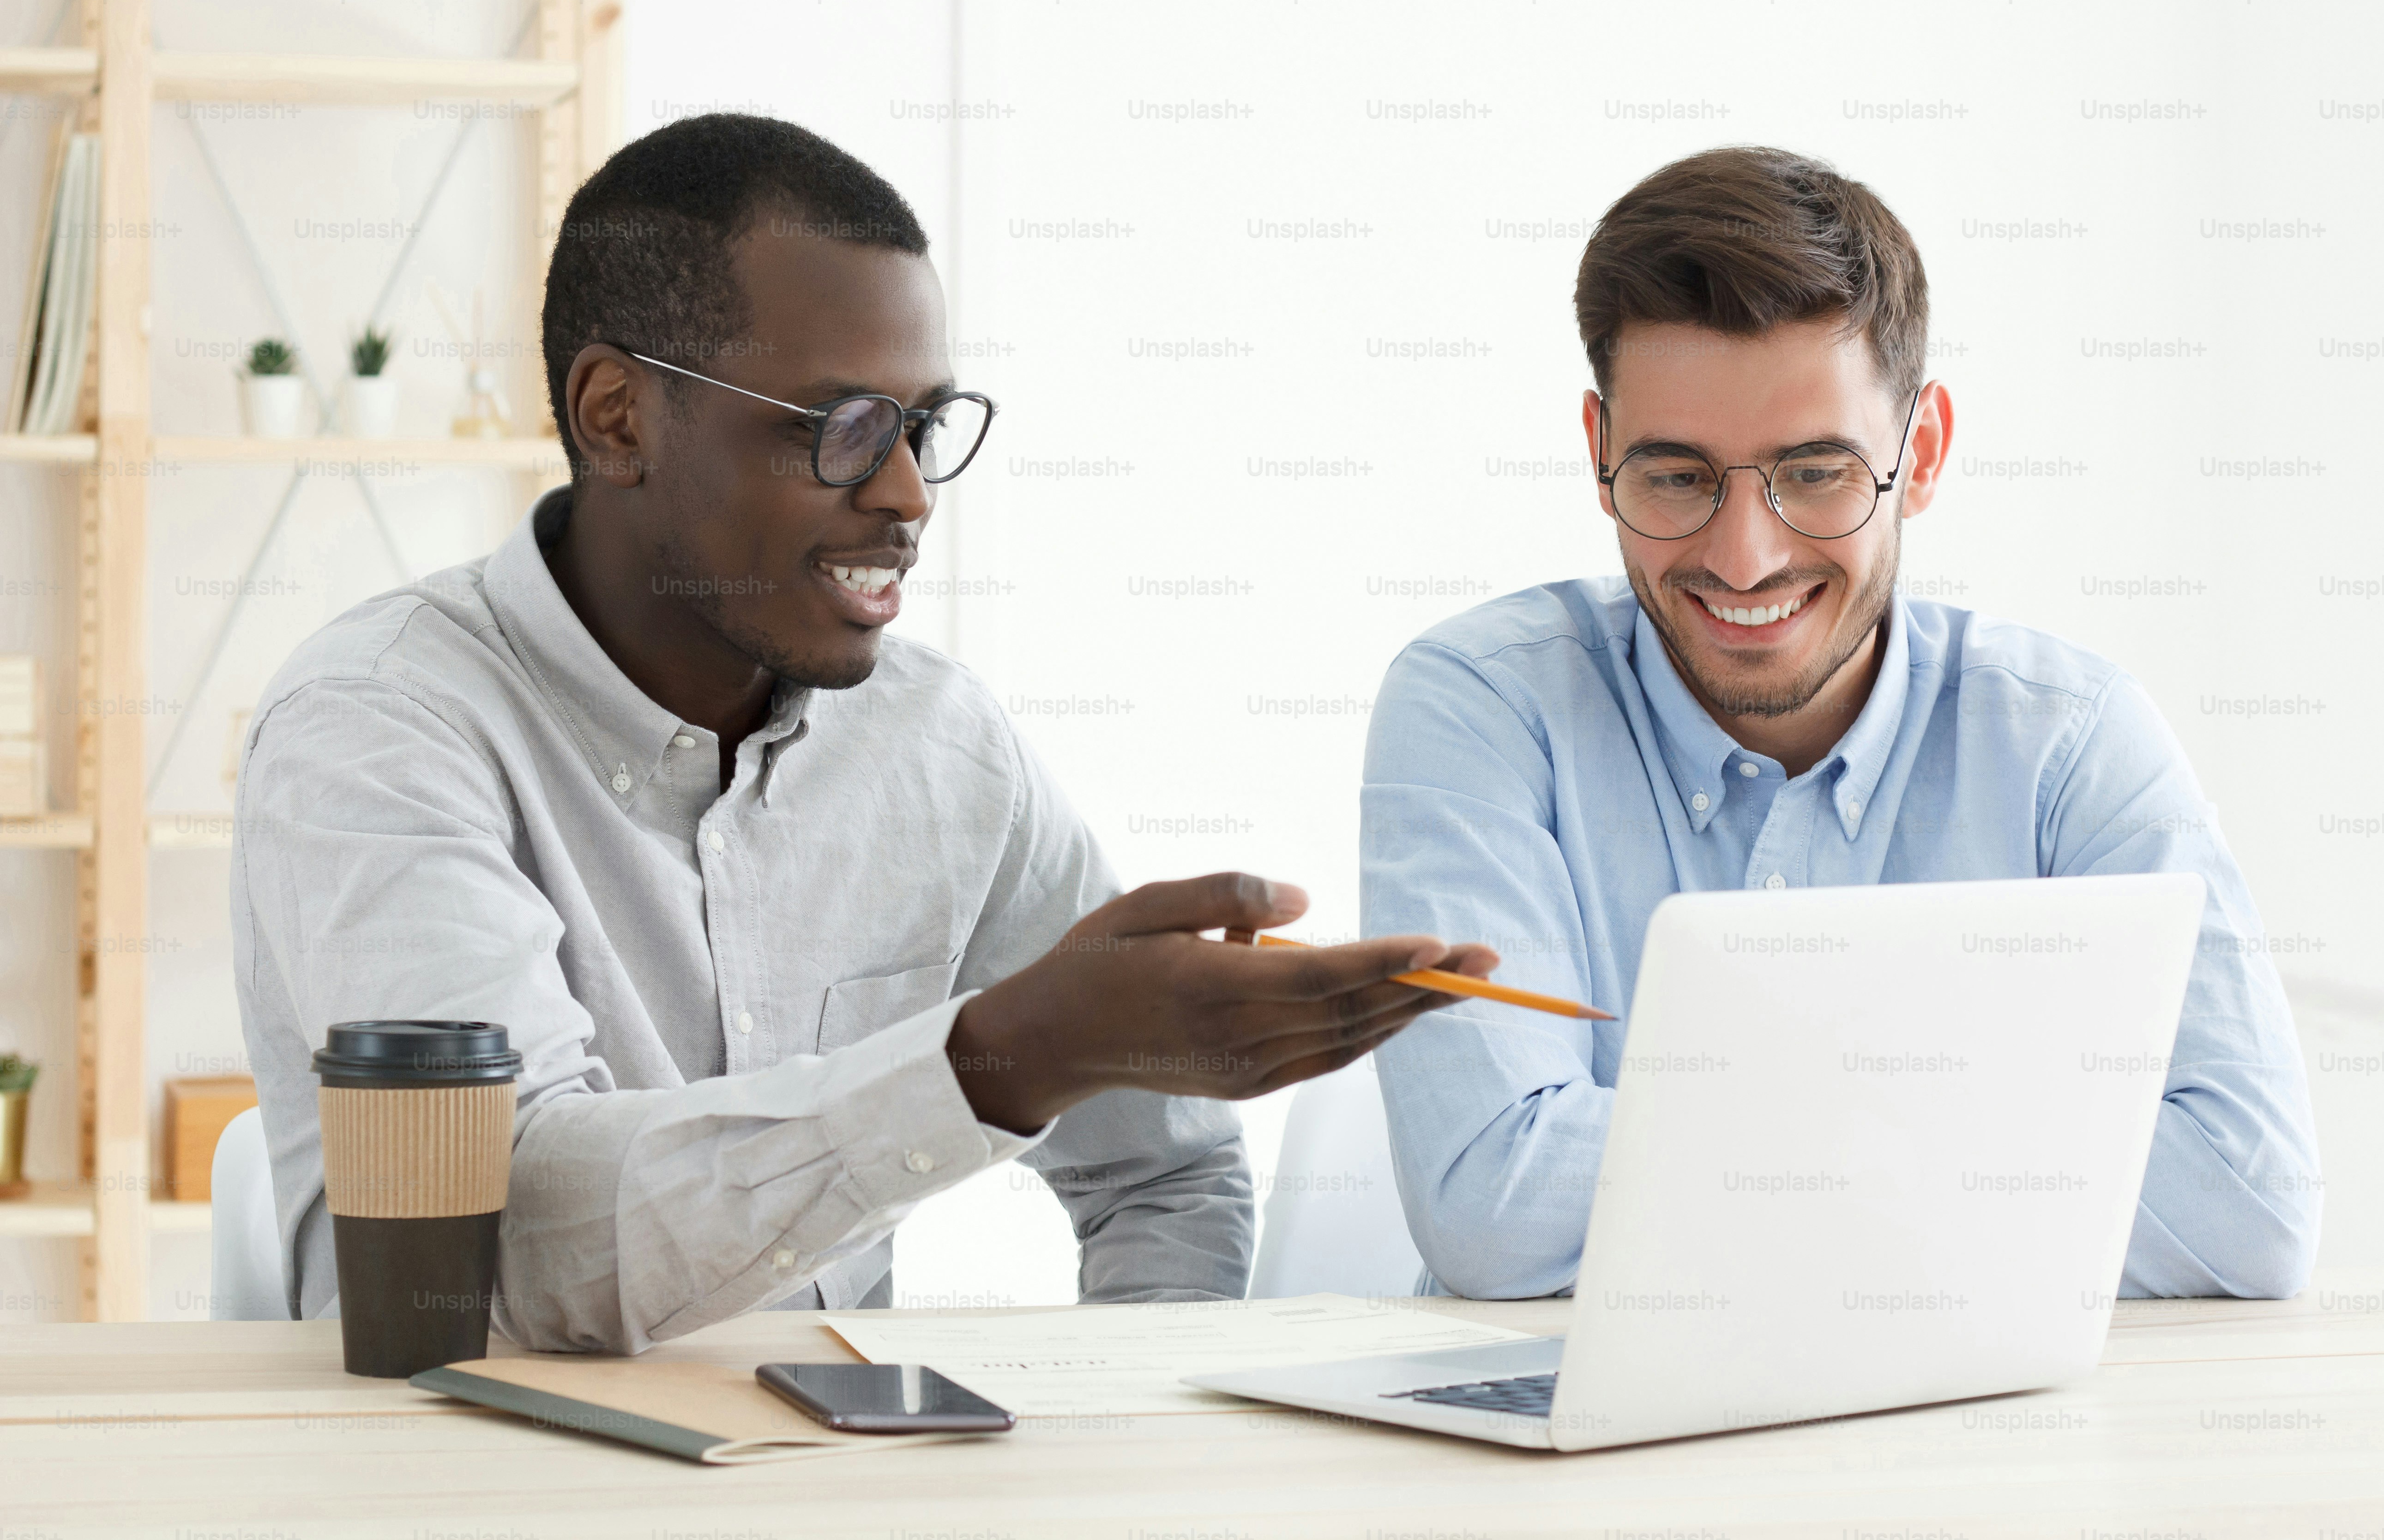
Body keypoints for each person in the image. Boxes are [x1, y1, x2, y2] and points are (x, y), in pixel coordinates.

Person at [234, 114, 1492, 1353]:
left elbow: (1161, 1178)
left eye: (922, 428)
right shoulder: (378, 726)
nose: (905, 498)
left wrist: (1124, 1429)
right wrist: (1003, 1059)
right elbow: (513, 1241)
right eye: (836, 429)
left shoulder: (940, 747)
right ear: (617, 416)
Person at [1361, 145, 2321, 1301]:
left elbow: (2247, 1208)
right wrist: (1999, 1146)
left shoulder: (2069, 744)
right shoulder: (1483, 710)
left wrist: (1701, 1154)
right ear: (1599, 452)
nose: (1742, 555)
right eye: (1674, 478)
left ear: (1916, 455)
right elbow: (1497, 1209)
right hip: (1564, 1464)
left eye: (1814, 473)